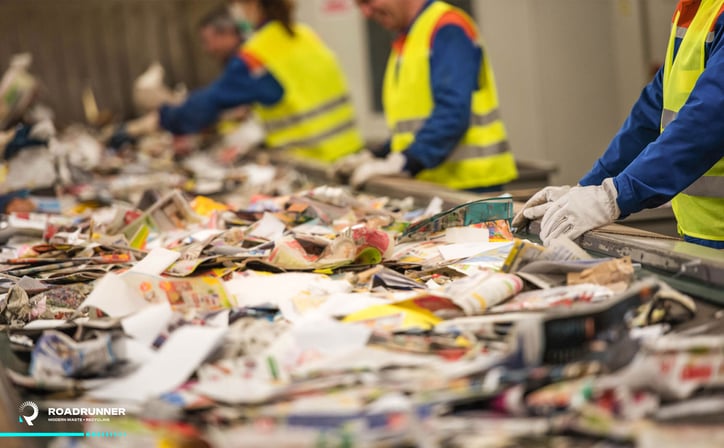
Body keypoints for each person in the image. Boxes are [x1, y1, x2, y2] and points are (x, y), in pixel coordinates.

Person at [514, 0, 724, 249]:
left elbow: (708, 120)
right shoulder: (695, 8)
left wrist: (617, 195)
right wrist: (587, 189)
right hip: (703, 238)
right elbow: (651, 113)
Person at [126, 0, 364, 164]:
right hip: (350, 157)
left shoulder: (256, 54)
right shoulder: (306, 35)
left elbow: (206, 105)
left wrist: (161, 117)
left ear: (251, 5)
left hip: (311, 163)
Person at [345, 0, 518, 191]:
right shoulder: (411, 37)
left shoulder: (446, 27)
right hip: (437, 186)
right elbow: (413, 126)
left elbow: (452, 114)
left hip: (469, 188)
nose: (366, 13)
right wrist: (378, 155)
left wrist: (407, 162)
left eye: (367, 1)